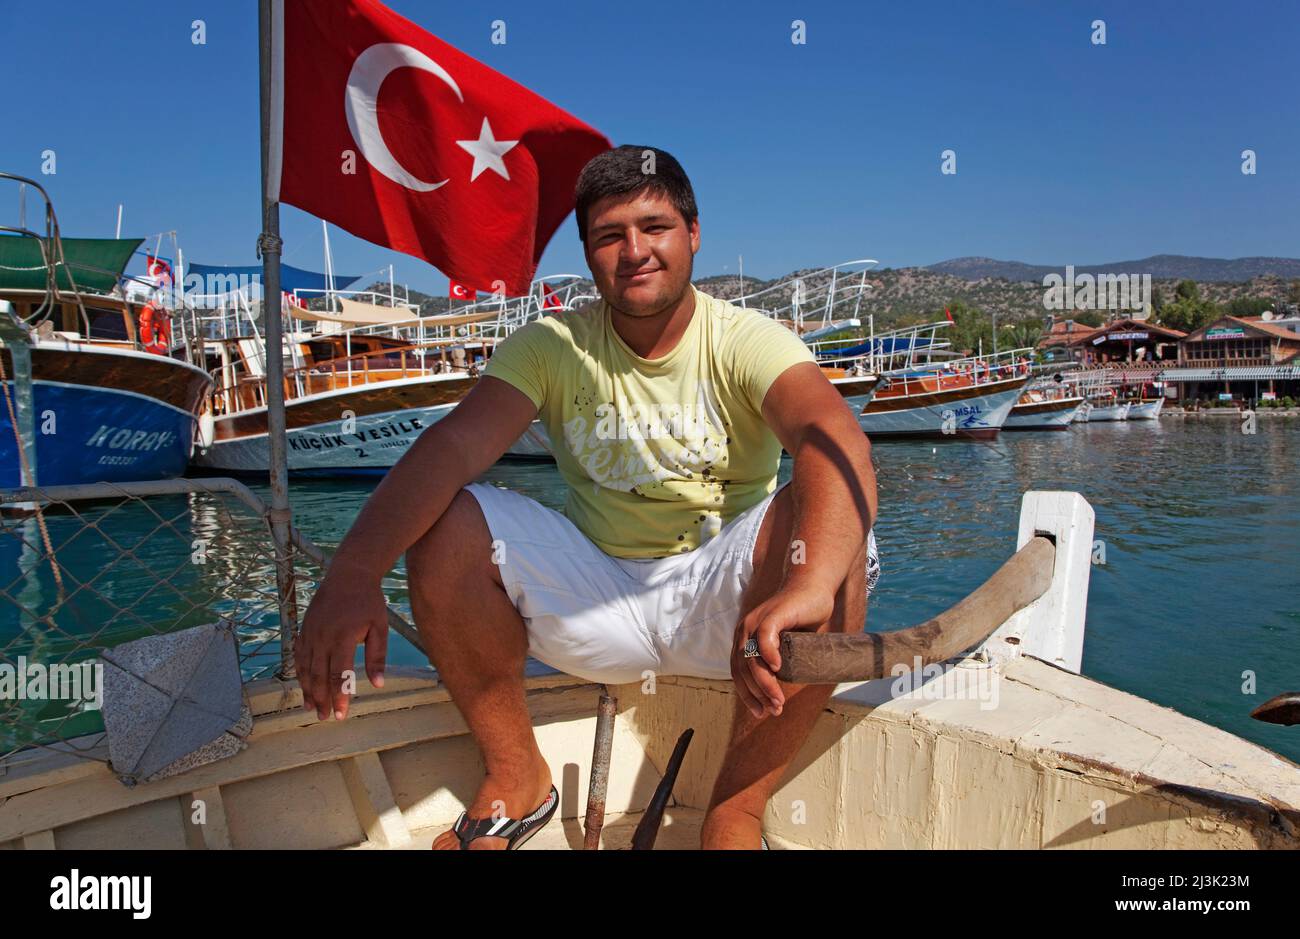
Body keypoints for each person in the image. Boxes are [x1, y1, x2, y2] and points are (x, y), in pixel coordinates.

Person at [295, 145, 880, 851]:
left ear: (693, 234)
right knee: (447, 519)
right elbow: (451, 447)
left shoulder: (744, 339)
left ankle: (736, 807)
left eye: (654, 226)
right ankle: (518, 777)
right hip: (596, 595)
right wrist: (354, 570)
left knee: (838, 541)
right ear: (589, 253)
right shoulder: (552, 345)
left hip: (728, 604)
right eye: (610, 235)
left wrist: (812, 581)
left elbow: (833, 437)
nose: (635, 250)